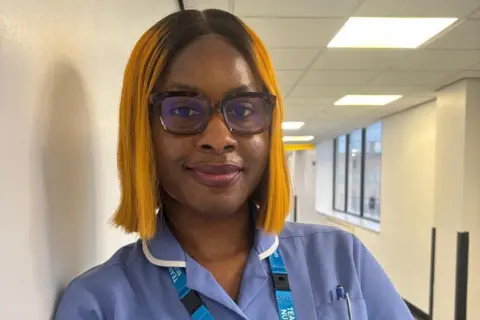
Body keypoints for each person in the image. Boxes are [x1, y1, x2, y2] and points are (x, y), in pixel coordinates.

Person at [54, 9, 413, 320]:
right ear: (142, 129)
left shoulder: (341, 261)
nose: (220, 137)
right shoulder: (99, 303)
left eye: (242, 110)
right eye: (182, 110)